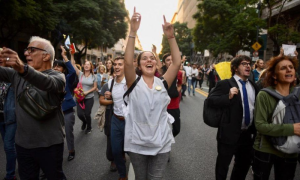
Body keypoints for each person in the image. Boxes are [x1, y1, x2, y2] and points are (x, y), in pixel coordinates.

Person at [123, 9, 181, 179]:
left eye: (152, 58)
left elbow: (177, 62)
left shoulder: (163, 82)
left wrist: (171, 37)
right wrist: (133, 31)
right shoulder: (133, 83)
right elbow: (127, 62)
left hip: (161, 143)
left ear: (156, 64)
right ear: (139, 66)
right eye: (144, 58)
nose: (149, 60)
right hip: (137, 144)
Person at [0, 36, 66, 180]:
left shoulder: (58, 76)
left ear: (46, 56)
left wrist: (22, 69)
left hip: (50, 144)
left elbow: (47, 83)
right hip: (23, 145)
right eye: (26, 50)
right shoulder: (16, 75)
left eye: (32, 50)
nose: (26, 53)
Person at [207, 55, 259, 180]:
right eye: (244, 63)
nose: (248, 66)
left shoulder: (253, 85)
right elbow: (210, 100)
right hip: (229, 133)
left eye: (249, 64)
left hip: (247, 134)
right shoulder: (225, 84)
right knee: (223, 165)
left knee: (243, 165)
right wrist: (227, 97)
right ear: (235, 68)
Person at [252, 53, 300, 180]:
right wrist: (292, 129)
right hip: (266, 150)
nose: (289, 69)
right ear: (274, 75)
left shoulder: (298, 95)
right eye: (283, 68)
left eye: (291, 67)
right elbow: (260, 126)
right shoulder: (264, 95)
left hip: (291, 151)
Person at [102, 56, 128, 180]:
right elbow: (105, 97)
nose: (117, 66)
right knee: (116, 150)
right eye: (115, 64)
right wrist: (109, 96)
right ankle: (123, 175)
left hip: (130, 122)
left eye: (120, 64)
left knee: (133, 151)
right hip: (115, 119)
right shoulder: (110, 82)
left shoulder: (132, 82)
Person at [53, 46, 77, 161]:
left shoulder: (67, 78)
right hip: (53, 112)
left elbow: (72, 72)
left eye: (59, 66)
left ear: (63, 69)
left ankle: (71, 150)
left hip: (67, 111)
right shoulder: (47, 78)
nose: (56, 68)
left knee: (68, 132)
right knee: (54, 136)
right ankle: (55, 156)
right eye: (55, 66)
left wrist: (64, 57)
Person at [0, 48, 17, 180]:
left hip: (11, 117)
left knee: (8, 145)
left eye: (2, 56)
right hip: (0, 116)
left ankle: (10, 175)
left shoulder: (14, 74)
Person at [71, 58, 97, 134]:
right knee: (79, 114)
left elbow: (95, 87)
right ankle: (84, 122)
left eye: (88, 64)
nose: (86, 65)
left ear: (91, 67)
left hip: (89, 98)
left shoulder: (93, 76)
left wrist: (87, 92)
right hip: (80, 98)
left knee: (87, 114)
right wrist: (72, 54)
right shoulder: (80, 74)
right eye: (85, 64)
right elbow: (73, 65)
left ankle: (89, 127)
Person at [161, 53, 182, 137]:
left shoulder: (179, 73)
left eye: (172, 60)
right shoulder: (160, 73)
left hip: (174, 105)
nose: (170, 62)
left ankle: (167, 139)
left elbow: (180, 84)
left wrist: (176, 91)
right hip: (162, 106)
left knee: (176, 129)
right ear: (164, 63)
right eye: (168, 60)